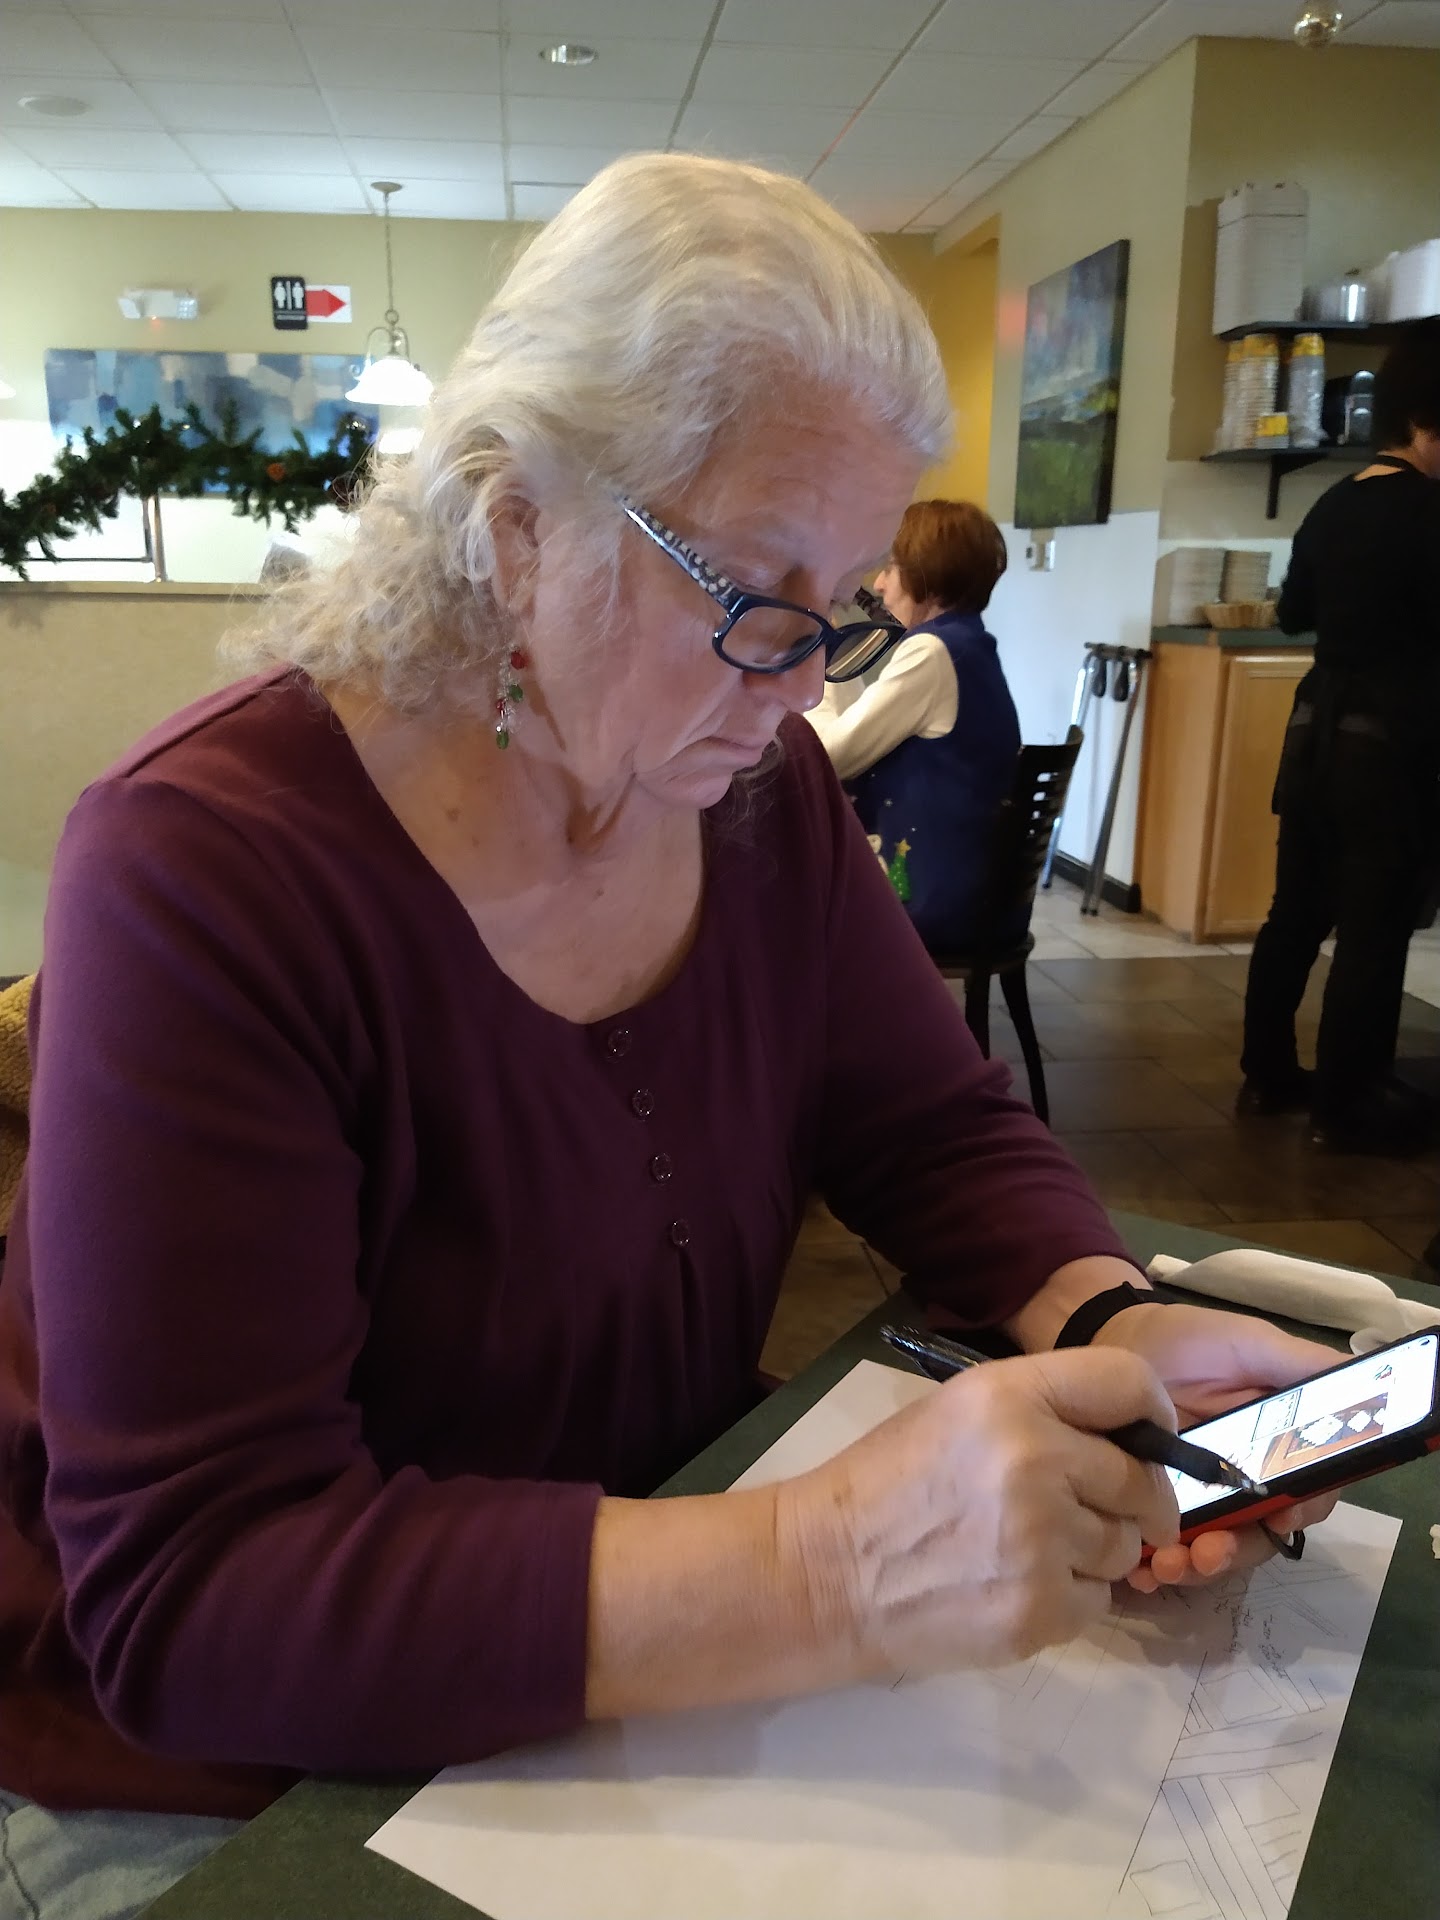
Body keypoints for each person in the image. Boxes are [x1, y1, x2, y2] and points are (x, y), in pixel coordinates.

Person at [0, 154, 1335, 1920]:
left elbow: (929, 1126)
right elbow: (198, 1600)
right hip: (215, 1781)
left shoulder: (756, 793)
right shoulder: (205, 867)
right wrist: (836, 1564)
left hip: (644, 1647)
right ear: (514, 527)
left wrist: (1115, 1315)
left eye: (842, 605)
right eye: (755, 598)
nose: (802, 689)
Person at [1240, 320, 1440, 1154]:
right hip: (1390, 744)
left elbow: (1294, 613)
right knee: (1373, 928)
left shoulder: (1334, 504)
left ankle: (1268, 1074)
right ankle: (1348, 1103)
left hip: (1314, 730)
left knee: (1295, 914)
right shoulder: (1430, 512)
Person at [807, 499, 1021, 949]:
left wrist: (813, 653)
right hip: (974, 888)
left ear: (928, 572)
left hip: (935, 895)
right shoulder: (968, 644)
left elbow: (832, 756)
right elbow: (859, 730)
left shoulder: (931, 653)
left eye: (891, 568)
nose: (879, 585)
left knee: (786, 899)